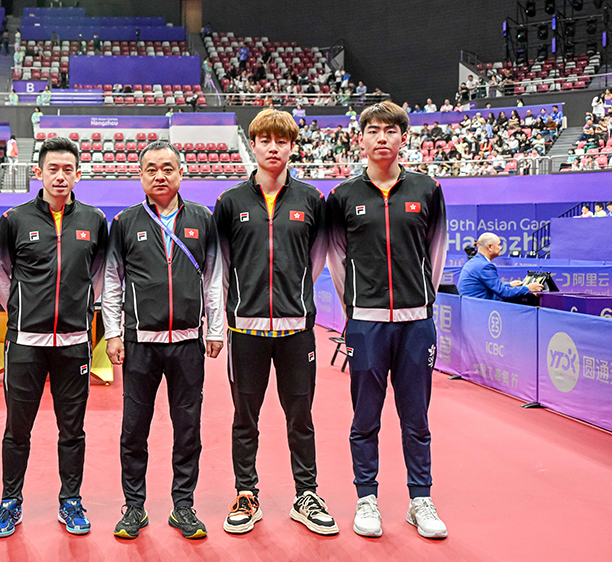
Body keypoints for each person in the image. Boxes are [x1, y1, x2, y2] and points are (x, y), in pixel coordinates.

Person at [326, 101, 448, 540]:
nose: (382, 137)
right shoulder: (343, 197)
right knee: (366, 417)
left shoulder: (428, 189)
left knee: (416, 417)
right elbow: (337, 259)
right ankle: (367, 497)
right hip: (366, 323)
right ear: (361, 138)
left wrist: (421, 301)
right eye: (373, 130)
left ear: (403, 137)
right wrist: (355, 309)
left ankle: (421, 499)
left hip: (417, 322)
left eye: (390, 130)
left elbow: (436, 252)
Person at [213, 109, 335, 537]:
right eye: (264, 139)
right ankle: (246, 493)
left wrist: (295, 298)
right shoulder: (230, 202)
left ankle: (307, 494)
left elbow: (317, 258)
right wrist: (230, 312)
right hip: (244, 330)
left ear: (291, 147)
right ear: (253, 144)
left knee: (300, 416)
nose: (273, 147)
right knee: (245, 417)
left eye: (280, 141)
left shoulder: (310, 200)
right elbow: (221, 267)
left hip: (296, 330)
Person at [103, 141, 225, 540]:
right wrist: (115, 333)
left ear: (180, 173)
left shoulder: (202, 219)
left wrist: (215, 328)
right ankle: (134, 507)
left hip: (188, 342)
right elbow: (111, 281)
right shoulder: (124, 223)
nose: (160, 175)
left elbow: (213, 277)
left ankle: (183, 506)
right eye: (151, 169)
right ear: (140, 175)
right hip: (140, 343)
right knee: (134, 428)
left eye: (168, 168)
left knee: (187, 427)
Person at [0, 137, 108, 537]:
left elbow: (100, 274)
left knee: (72, 430)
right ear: (37, 172)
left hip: (74, 343)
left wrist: (78, 307)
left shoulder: (94, 221)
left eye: (67, 169)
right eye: (52, 168)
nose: (60, 176)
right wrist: (21, 311)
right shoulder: (15, 220)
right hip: (25, 345)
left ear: (77, 173)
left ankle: (70, 500)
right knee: (17, 430)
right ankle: (10, 501)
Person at [457, 233, 543, 300]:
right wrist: (527, 288)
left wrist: (509, 284)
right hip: (479, 310)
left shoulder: (474, 261)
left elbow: (489, 285)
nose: (500, 248)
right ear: (490, 247)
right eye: (498, 245)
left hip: (469, 307)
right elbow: (503, 293)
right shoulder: (485, 266)